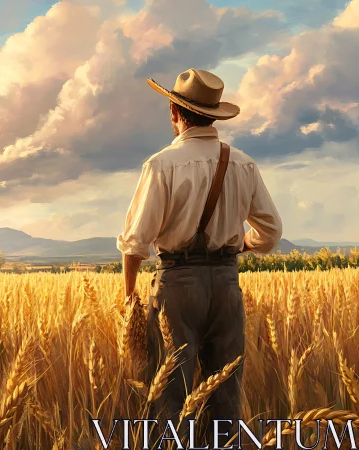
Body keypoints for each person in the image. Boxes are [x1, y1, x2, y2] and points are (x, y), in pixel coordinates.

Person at [116, 68, 282, 444]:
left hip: (177, 285)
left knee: (169, 398)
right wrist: (241, 245)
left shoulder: (160, 164)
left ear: (175, 112)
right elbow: (271, 232)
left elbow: (136, 242)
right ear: (214, 114)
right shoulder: (242, 163)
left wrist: (129, 296)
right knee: (226, 397)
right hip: (226, 285)